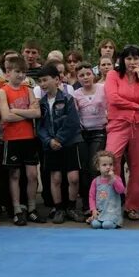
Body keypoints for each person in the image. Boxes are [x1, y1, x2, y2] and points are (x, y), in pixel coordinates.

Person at [104, 45, 139, 219]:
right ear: (122, 60)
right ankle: (111, 202)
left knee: (138, 166)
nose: (132, 62)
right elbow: (113, 98)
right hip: (118, 123)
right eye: (129, 58)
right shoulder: (113, 75)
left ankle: (133, 206)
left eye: (136, 58)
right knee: (111, 159)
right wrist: (135, 106)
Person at [0, 55, 42, 225]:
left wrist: (16, 110)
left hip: (28, 137)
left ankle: (31, 208)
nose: (21, 75)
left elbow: (36, 113)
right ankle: (17, 208)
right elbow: (5, 116)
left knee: (32, 174)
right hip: (12, 138)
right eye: (17, 72)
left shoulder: (28, 90)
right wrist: (26, 113)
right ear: (8, 73)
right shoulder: (3, 91)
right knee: (14, 174)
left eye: (23, 72)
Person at [36, 65, 83, 224]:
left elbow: (73, 122)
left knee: (73, 178)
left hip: (70, 143)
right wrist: (49, 141)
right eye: (40, 81)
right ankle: (59, 209)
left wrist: (59, 139)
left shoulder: (68, 99)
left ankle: (71, 207)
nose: (42, 84)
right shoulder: (40, 103)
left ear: (56, 80)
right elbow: (40, 126)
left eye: (45, 80)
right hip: (51, 145)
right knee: (55, 178)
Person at [74, 62, 107, 217]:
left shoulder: (103, 88)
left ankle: (100, 205)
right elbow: (75, 116)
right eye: (81, 75)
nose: (85, 77)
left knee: (95, 168)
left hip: (99, 132)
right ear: (77, 78)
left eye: (88, 74)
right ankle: (87, 205)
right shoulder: (76, 94)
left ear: (93, 75)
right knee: (84, 169)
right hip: (83, 134)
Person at [89, 150, 125, 229]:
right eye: (104, 165)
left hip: (112, 212)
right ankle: (95, 219)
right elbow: (91, 197)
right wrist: (93, 210)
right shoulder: (95, 181)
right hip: (100, 212)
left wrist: (113, 179)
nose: (108, 167)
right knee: (95, 224)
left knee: (107, 225)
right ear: (98, 167)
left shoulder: (116, 178)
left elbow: (121, 190)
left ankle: (115, 222)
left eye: (110, 164)